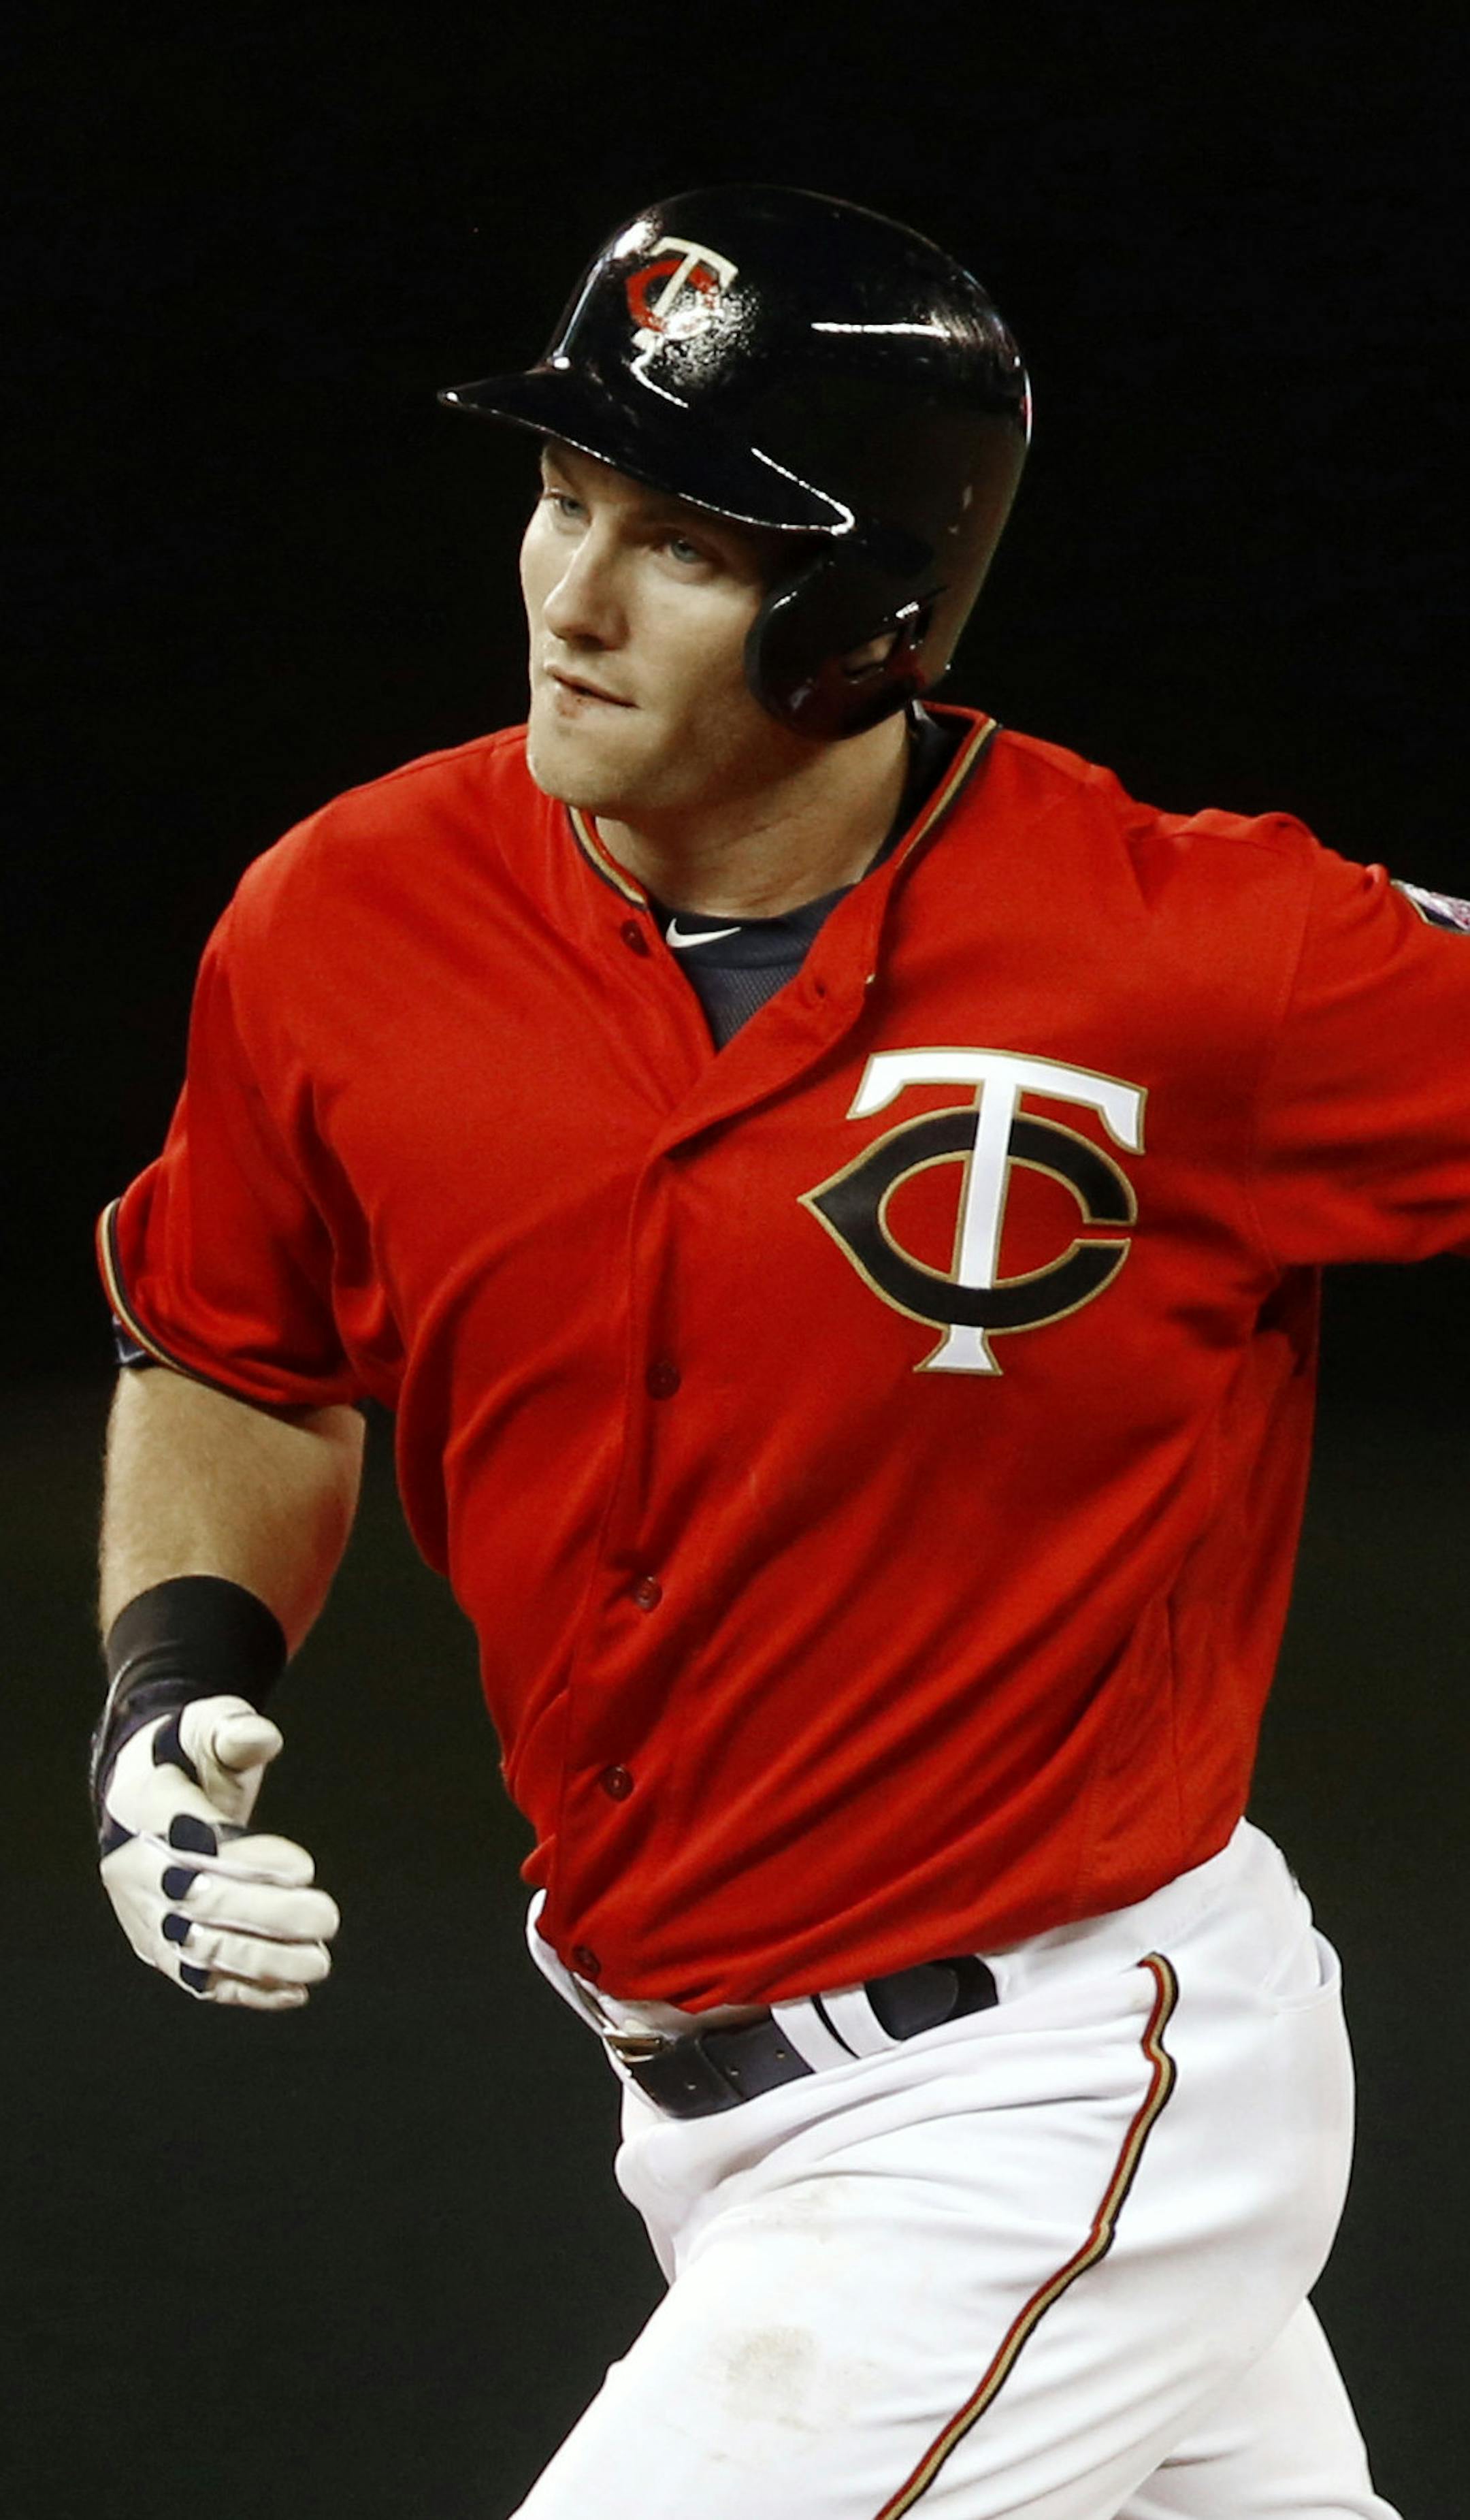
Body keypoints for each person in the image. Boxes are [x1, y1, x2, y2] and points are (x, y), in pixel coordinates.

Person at [88, 184, 1462, 2519]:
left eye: (687, 547)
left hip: (1044, 2088)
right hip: (703, 2113)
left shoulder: (1203, 963)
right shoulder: (348, 917)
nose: (571, 596)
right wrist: (163, 1687)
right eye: (558, 496)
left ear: (868, 618)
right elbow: (235, 1339)